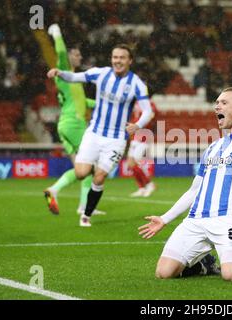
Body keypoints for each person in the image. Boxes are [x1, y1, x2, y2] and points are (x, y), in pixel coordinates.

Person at [138, 87, 232, 281]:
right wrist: (165, 219)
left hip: (228, 220)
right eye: (217, 102)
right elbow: (194, 190)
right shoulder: (212, 147)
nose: (217, 105)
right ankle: (204, 265)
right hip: (195, 220)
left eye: (224, 102)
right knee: (163, 273)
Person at [47, 43, 153, 227]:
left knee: (100, 176)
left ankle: (86, 215)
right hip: (94, 134)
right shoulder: (100, 73)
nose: (117, 61)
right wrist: (60, 72)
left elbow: (148, 111)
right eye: (115, 57)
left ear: (130, 61)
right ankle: (63, 193)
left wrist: (137, 125)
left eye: (122, 58)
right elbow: (74, 77)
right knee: (81, 173)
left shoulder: (136, 84)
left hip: (116, 139)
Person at [43, 24, 105, 216]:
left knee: (83, 168)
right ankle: (69, 197)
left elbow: (82, 101)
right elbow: (60, 52)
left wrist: (103, 104)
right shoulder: (63, 71)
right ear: (69, 57)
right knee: (91, 165)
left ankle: (79, 204)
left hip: (66, 125)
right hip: (74, 124)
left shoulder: (73, 79)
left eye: (79, 55)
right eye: (76, 55)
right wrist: (57, 33)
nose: (79, 57)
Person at [127, 99, 158, 197]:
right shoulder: (136, 103)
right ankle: (141, 188)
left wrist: (138, 126)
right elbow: (134, 118)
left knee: (136, 161)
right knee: (131, 163)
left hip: (144, 136)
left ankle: (149, 184)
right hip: (135, 137)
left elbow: (150, 118)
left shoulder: (150, 103)